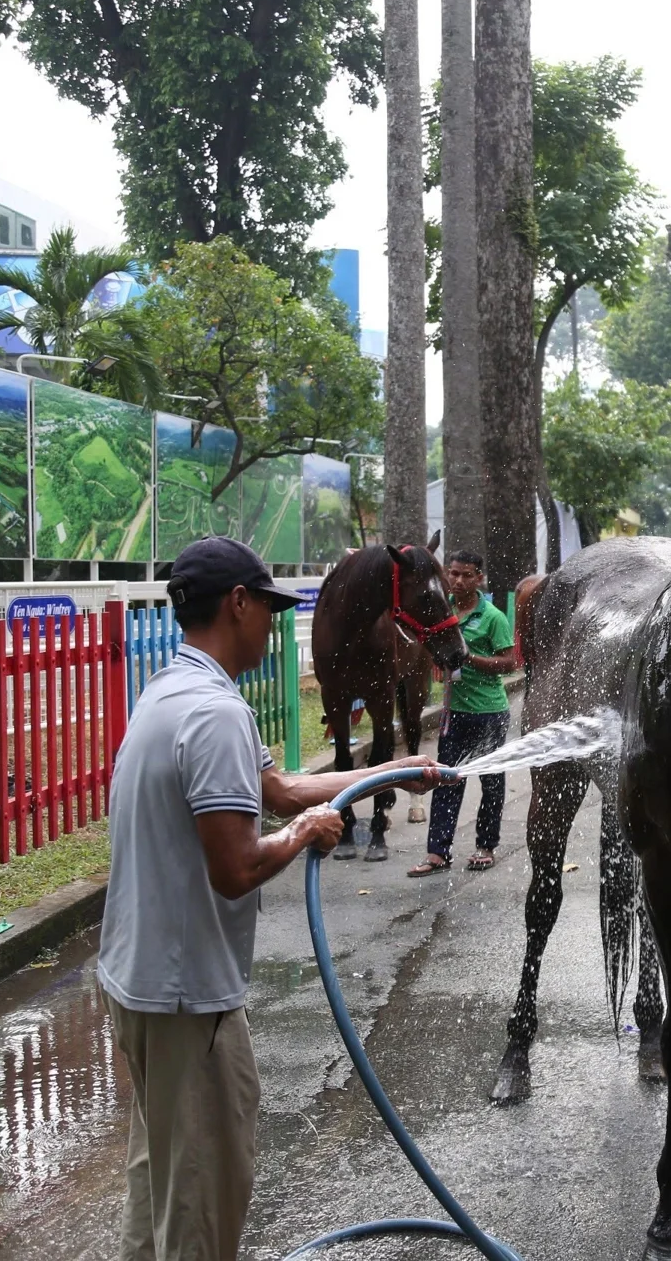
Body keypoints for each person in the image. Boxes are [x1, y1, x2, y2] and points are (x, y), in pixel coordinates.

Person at [98, 535, 440, 1261]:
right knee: (203, 1189)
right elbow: (238, 866)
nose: (279, 627)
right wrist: (305, 834)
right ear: (239, 604)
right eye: (271, 611)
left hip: (142, 985)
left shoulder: (172, 691)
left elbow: (277, 791)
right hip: (186, 995)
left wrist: (391, 770)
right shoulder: (216, 714)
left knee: (159, 1179)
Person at [411, 550, 519, 876]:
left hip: (489, 713)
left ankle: (485, 847)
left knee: (492, 782)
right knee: (446, 780)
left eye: (466, 575)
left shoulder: (493, 618)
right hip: (453, 713)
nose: (458, 581)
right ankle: (437, 853)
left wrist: (468, 657)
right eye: (453, 574)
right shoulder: (445, 611)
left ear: (479, 579)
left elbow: (509, 663)